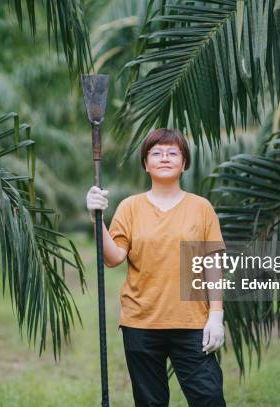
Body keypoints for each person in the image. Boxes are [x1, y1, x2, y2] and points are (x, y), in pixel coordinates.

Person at [86, 128, 227, 406]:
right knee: (150, 403)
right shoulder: (130, 207)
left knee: (209, 398)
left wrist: (216, 315)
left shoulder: (201, 208)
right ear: (146, 163)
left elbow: (212, 263)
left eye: (173, 152)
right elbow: (113, 258)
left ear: (184, 163)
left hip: (192, 323)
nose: (165, 158)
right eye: (157, 153)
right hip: (141, 323)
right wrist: (96, 219)